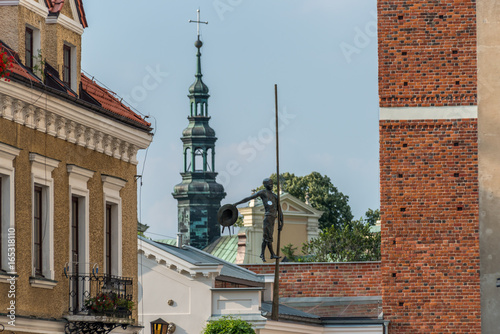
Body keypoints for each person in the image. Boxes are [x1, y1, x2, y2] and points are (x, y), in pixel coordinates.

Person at [234, 178, 283, 262]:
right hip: (268, 217)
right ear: (265, 185)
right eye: (269, 184)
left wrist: (282, 222)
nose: (271, 186)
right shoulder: (263, 193)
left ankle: (263, 254)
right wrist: (236, 203)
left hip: (273, 219)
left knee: (266, 237)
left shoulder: (275, 196)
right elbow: (249, 198)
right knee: (268, 237)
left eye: (272, 184)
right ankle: (272, 254)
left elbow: (280, 210)